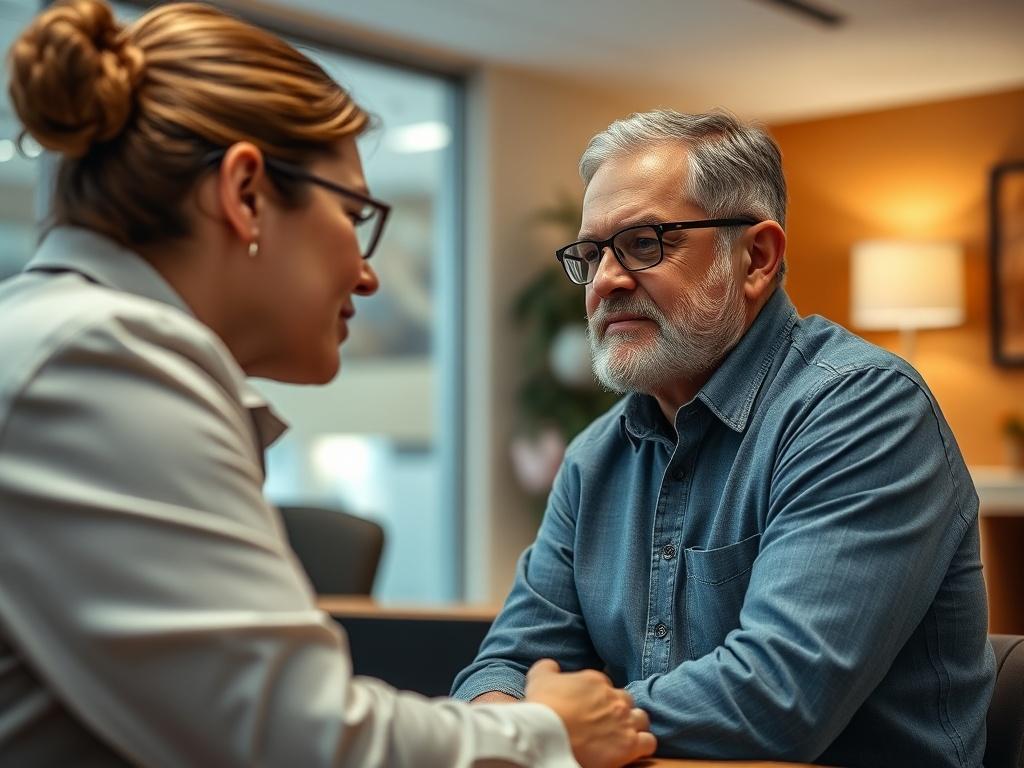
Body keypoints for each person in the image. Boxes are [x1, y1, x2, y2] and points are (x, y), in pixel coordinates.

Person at [0, 2, 658, 766]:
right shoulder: (101, 361)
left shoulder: (58, 338)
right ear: (245, 192)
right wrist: (550, 733)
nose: (369, 273)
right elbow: (297, 742)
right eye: (355, 213)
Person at [452, 109, 995, 767]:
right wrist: (507, 726)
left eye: (645, 243)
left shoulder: (861, 409)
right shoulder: (596, 456)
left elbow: (778, 697)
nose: (605, 281)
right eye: (591, 253)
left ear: (756, 258)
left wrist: (548, 732)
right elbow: (507, 663)